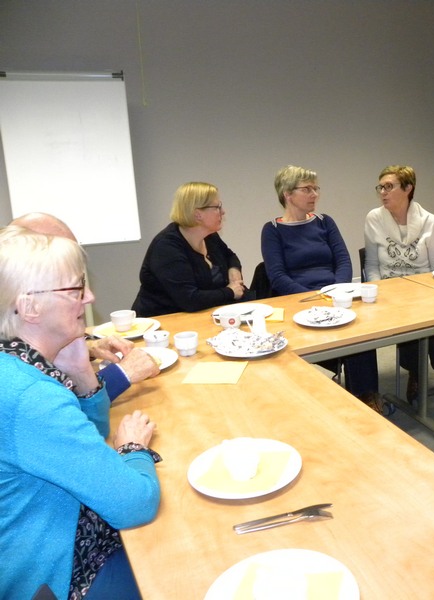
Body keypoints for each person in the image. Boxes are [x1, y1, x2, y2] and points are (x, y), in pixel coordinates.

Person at [0, 226, 161, 600]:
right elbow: (136, 504)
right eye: (75, 290)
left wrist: (82, 374)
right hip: (56, 574)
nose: (90, 297)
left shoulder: (19, 363)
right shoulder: (29, 396)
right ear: (30, 307)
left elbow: (90, 433)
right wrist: (134, 449)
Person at [262, 165, 382, 411]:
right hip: (298, 300)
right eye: (307, 189)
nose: (314, 194)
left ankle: (366, 394)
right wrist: (312, 298)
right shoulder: (272, 230)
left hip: (333, 295)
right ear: (287, 194)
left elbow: (343, 260)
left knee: (358, 328)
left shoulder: (325, 222)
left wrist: (335, 292)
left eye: (316, 188)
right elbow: (277, 276)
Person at [10, 212, 159, 401]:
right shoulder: (16, 370)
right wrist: (123, 374)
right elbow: (58, 404)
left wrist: (89, 347)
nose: (89, 296)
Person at [364, 165, 434, 402]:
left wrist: (433, 296)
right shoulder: (374, 218)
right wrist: (378, 291)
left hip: (423, 289)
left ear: (408, 188)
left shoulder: (429, 221)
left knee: (420, 312)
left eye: (389, 187)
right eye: (380, 187)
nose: (383, 192)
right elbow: (371, 264)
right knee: (405, 312)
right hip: (389, 289)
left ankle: (419, 372)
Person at [132, 182, 253, 317]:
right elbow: (189, 299)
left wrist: (234, 269)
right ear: (197, 214)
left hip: (204, 315)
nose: (223, 212)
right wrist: (230, 292)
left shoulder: (210, 236)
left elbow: (230, 256)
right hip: (163, 320)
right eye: (217, 207)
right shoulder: (166, 247)